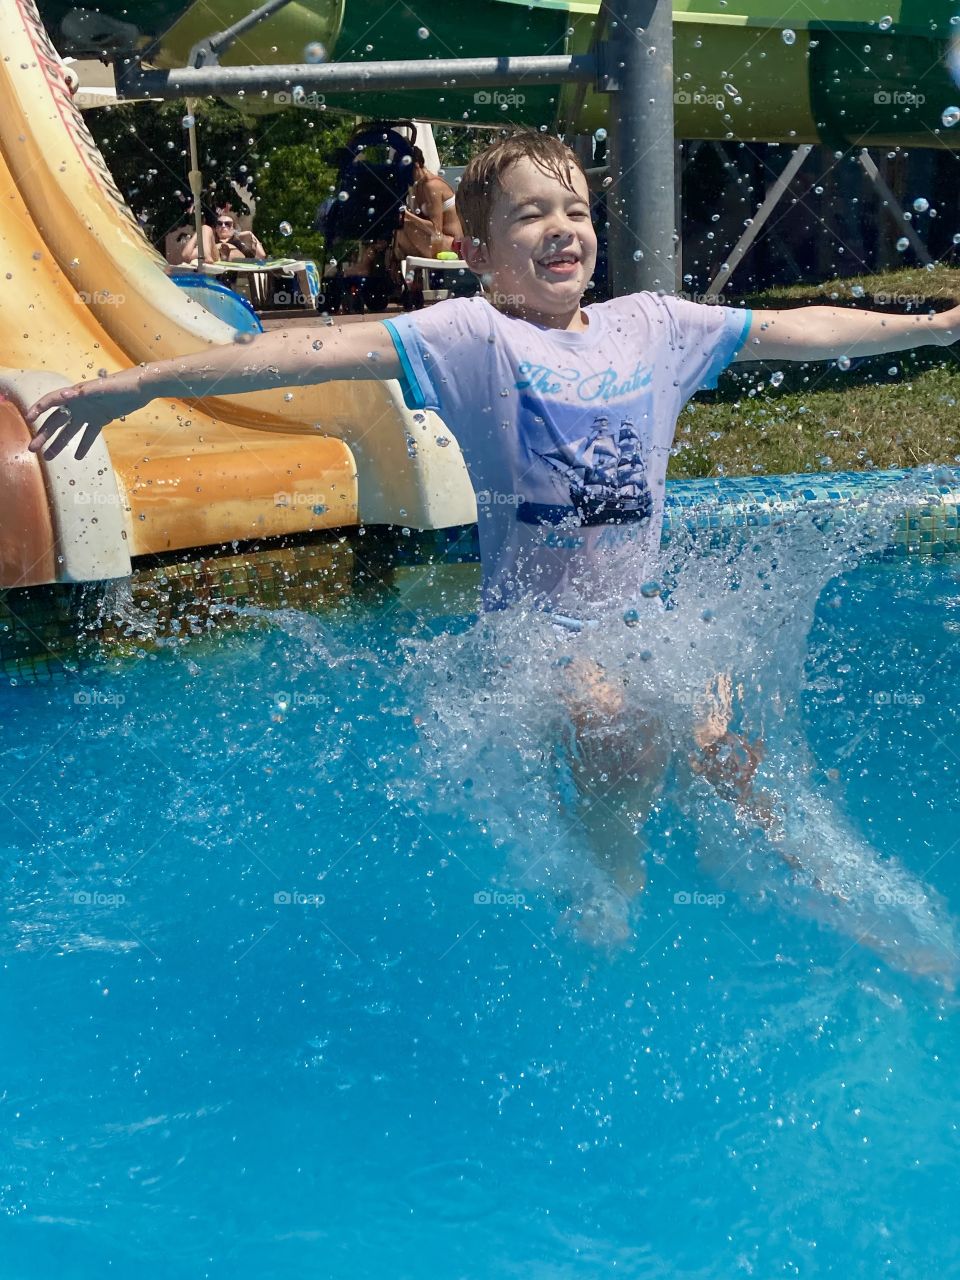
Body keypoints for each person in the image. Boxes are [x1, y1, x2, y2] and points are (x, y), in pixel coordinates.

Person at [24, 130, 960, 946]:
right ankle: (612, 888)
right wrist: (141, 386)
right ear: (478, 251)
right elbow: (305, 352)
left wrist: (939, 325)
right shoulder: (472, 337)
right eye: (529, 216)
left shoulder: (656, 327)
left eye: (577, 208)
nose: (563, 228)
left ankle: (815, 894)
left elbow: (799, 327)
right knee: (617, 726)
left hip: (638, 615)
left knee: (730, 759)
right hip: (537, 641)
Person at [392, 146, 463, 261]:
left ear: (416, 166)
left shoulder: (432, 186)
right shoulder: (418, 186)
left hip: (452, 245)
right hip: (436, 242)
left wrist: (408, 216)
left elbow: (436, 229)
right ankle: (399, 273)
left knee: (402, 226)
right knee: (395, 228)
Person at [180, 208, 266, 265]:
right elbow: (186, 256)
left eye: (228, 224)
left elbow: (261, 257)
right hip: (214, 257)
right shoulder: (209, 241)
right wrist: (199, 232)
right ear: (216, 228)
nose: (223, 226)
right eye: (219, 224)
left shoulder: (238, 243)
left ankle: (216, 257)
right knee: (205, 228)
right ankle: (210, 257)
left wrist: (251, 235)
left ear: (234, 228)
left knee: (206, 232)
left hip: (228, 263)